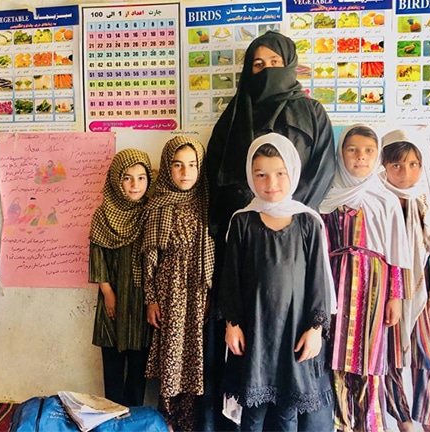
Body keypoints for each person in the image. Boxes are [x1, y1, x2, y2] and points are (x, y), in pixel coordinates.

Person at [204, 30, 336, 431]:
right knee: (246, 365)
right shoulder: (233, 115)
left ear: (289, 66)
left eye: (274, 65)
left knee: (291, 377)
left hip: (293, 248)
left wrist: (286, 214)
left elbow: (320, 171)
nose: (265, 72)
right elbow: (216, 177)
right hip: (242, 247)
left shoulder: (311, 113)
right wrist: (248, 213)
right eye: (257, 66)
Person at [217, 133, 335, 432]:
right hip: (254, 334)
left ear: (292, 172)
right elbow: (230, 278)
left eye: (280, 173)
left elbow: (318, 281)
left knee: (287, 413)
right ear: (250, 176)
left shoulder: (308, 222)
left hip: (294, 332)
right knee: (253, 414)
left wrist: (315, 328)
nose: (272, 183)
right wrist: (232, 324)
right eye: (262, 174)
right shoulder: (242, 221)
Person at [319, 124, 411, 432]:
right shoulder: (326, 198)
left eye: (369, 151)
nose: (361, 157)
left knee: (371, 363)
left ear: (377, 157)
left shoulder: (385, 200)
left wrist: (395, 297)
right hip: (336, 287)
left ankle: (370, 426)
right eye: (352, 150)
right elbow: (319, 251)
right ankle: (340, 425)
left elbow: (396, 254)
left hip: (374, 289)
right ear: (340, 153)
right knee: (336, 359)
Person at [142, 135, 215, 431]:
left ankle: (192, 423)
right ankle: (168, 423)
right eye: (177, 165)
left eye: (192, 165)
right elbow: (149, 258)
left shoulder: (207, 205)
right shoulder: (156, 207)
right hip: (169, 292)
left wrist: (211, 294)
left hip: (198, 292)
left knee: (195, 360)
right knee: (171, 360)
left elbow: (213, 255)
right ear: (167, 168)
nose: (186, 173)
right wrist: (151, 299)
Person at [380, 130, 430, 432]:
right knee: (390, 361)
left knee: (425, 361)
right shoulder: (377, 202)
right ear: (385, 167)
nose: (407, 172)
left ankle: (428, 422)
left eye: (414, 164)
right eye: (398, 165)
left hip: (419, 294)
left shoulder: (425, 203)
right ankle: (403, 421)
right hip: (388, 298)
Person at [88, 148, 153, 407]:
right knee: (112, 370)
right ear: (116, 179)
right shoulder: (103, 215)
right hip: (111, 299)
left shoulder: (151, 213)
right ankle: (111, 420)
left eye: (141, 177)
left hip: (141, 301)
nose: (134, 184)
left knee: (138, 371)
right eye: (127, 177)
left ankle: (134, 421)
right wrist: (107, 292)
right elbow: (97, 255)